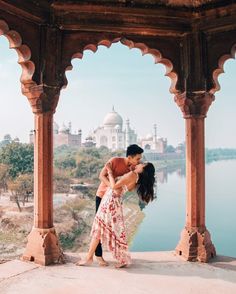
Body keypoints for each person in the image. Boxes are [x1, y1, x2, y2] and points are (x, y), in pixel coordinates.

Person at [77, 161, 155, 268]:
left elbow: (114, 186)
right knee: (105, 230)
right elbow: (123, 189)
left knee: (99, 228)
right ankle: (117, 259)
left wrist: (109, 171)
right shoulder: (136, 179)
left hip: (110, 201)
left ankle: (89, 258)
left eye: (142, 164)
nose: (139, 163)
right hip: (114, 201)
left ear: (143, 169)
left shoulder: (133, 175)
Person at [93, 144, 144, 266]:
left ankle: (120, 256)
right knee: (99, 227)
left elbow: (129, 188)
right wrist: (111, 186)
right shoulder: (114, 161)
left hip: (114, 200)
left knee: (115, 229)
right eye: (137, 159)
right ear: (130, 157)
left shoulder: (132, 169)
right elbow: (101, 175)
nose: (139, 161)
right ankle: (98, 256)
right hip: (101, 196)